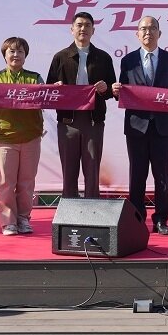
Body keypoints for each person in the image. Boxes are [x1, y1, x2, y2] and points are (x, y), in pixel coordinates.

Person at [112, 16, 168, 235]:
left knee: (162, 174)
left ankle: (161, 219)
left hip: (162, 126)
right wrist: (116, 91)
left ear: (160, 33)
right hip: (136, 126)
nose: (148, 32)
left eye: (152, 28)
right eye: (143, 28)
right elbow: (122, 92)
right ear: (137, 34)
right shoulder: (128, 60)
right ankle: (137, 217)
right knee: (137, 174)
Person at [0, 36, 44, 236]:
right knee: (5, 182)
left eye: (20, 51)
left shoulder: (35, 77)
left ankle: (23, 219)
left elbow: (45, 100)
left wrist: (53, 89)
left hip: (31, 135)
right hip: (4, 136)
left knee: (26, 182)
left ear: (26, 55)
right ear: (4, 55)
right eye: (12, 51)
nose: (16, 55)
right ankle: (8, 222)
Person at [46, 11, 116, 199]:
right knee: (69, 171)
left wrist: (105, 88)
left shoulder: (103, 57)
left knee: (92, 170)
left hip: (93, 120)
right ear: (72, 30)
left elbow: (113, 90)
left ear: (93, 30)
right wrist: (56, 87)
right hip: (68, 121)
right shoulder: (60, 57)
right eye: (79, 25)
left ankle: (92, 211)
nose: (83, 28)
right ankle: (69, 211)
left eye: (87, 25)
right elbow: (49, 89)